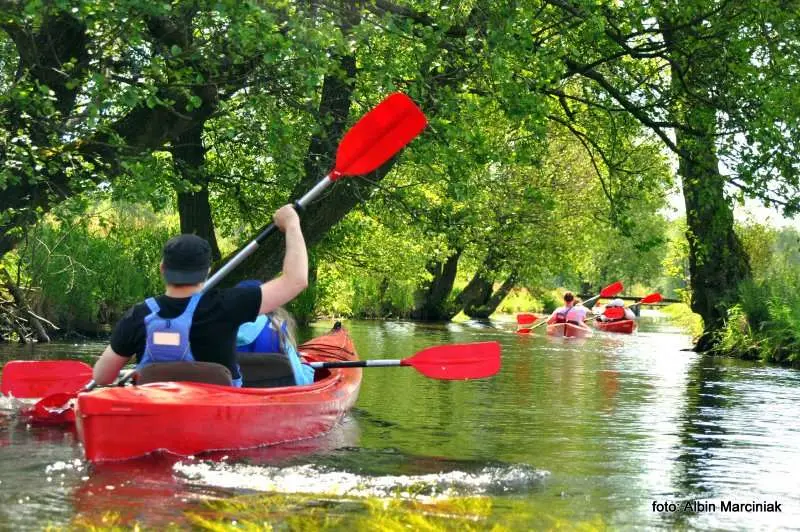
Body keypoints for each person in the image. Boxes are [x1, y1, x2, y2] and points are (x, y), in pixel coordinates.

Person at [93, 204, 308, 387]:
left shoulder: (138, 315)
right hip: (220, 416)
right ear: (207, 271)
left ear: (162, 268)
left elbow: (102, 377)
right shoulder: (227, 305)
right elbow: (296, 280)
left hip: (156, 414)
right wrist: (291, 223)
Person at [234, 280, 314, 386]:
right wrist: (305, 365)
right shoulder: (279, 331)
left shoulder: (217, 331)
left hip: (232, 395)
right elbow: (302, 383)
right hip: (275, 397)